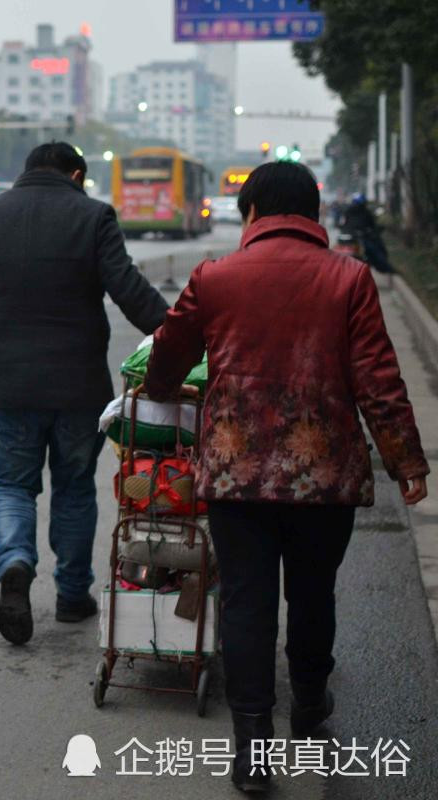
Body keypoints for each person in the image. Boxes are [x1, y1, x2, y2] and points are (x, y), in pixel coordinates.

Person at [145, 161, 428, 793]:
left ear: (249, 213)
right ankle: (307, 705)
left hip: (236, 475)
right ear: (313, 214)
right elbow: (378, 379)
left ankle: (251, 750)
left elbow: (168, 351)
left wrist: (163, 389)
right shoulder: (349, 278)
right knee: (313, 592)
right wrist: (406, 460)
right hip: (323, 475)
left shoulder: (214, 277)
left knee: (246, 602)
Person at [0, 141, 169, 645]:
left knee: (10, 485)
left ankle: (15, 562)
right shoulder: (92, 217)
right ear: (75, 175)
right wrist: (179, 334)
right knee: (74, 486)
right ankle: (72, 596)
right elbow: (128, 288)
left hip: (6, 385)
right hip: (79, 387)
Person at [341, 193, 393, 273]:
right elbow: (372, 225)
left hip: (354, 237)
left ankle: (385, 267)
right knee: (376, 251)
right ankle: (385, 268)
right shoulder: (364, 212)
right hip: (358, 238)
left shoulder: (349, 211)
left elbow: (343, 224)